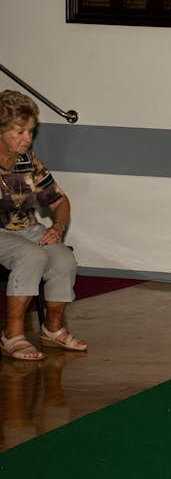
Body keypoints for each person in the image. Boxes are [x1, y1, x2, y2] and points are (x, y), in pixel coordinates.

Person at [0, 90, 85, 360]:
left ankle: (53, 329)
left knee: (63, 258)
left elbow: (60, 202)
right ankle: (12, 335)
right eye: (20, 131)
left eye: (31, 131)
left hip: (27, 230)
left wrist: (57, 228)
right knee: (32, 255)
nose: (28, 138)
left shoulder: (28, 161)